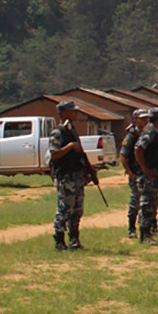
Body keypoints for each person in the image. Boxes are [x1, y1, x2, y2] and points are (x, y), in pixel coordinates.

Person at [49, 100, 98, 251]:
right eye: (73, 110)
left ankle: (74, 240)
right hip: (66, 176)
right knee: (64, 209)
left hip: (77, 175)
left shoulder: (72, 130)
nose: (76, 113)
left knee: (77, 209)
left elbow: (81, 153)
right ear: (63, 113)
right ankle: (59, 241)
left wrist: (90, 171)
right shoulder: (58, 132)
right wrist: (70, 146)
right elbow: (54, 154)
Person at [135, 107, 158, 244]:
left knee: (152, 202)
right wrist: (144, 168)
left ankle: (149, 230)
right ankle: (145, 234)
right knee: (147, 203)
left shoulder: (154, 131)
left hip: (154, 172)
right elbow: (138, 149)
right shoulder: (150, 132)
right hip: (148, 174)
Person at [120, 108, 149, 239]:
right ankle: (131, 228)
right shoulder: (131, 136)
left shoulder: (146, 134)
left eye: (147, 118)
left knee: (147, 201)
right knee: (135, 202)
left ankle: (148, 227)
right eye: (143, 118)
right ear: (135, 120)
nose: (146, 121)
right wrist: (130, 172)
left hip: (145, 173)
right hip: (136, 173)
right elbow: (123, 155)